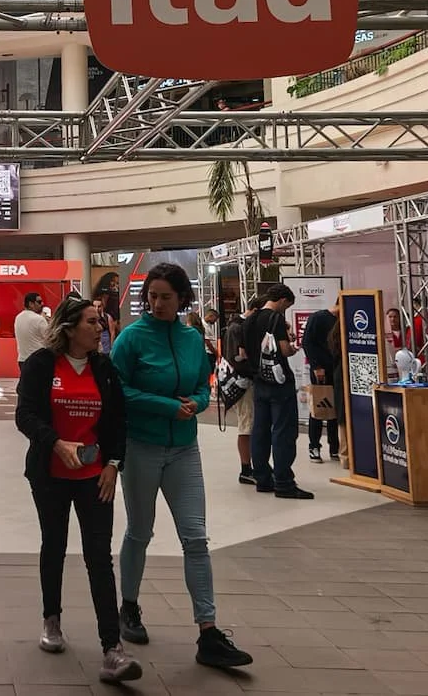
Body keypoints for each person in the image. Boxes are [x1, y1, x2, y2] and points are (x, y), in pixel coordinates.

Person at [110, 263, 252, 670]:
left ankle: (208, 631)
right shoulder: (132, 340)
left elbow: (202, 384)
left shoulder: (192, 339)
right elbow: (118, 389)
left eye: (165, 297)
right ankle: (129, 606)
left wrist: (198, 404)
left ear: (181, 299)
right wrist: (167, 407)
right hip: (141, 446)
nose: (156, 303)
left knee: (196, 537)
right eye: (151, 296)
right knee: (140, 530)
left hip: (184, 450)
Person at [15, 294, 141, 685]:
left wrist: (113, 465)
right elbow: (25, 415)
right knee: (53, 544)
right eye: (91, 322)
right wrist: (55, 442)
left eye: (100, 322)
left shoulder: (103, 368)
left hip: (95, 478)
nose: (99, 329)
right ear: (70, 328)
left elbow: (118, 421)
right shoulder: (41, 365)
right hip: (49, 475)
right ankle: (51, 619)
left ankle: (112, 649)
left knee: (98, 556)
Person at [241, 283, 313, 500]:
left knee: (260, 431)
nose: (285, 310)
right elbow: (283, 350)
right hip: (279, 382)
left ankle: (263, 478)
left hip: (258, 381)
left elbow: (243, 352)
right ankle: (284, 482)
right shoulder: (276, 319)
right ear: (282, 300)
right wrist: (292, 348)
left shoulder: (250, 318)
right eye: (287, 305)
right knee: (283, 431)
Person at [224, 296, 265, 485]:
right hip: (243, 384)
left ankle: (253, 467)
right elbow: (236, 359)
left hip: (249, 382)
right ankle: (246, 468)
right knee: (247, 426)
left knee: (251, 425)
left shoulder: (242, 327)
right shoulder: (236, 328)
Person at [300, 307, 340, 464]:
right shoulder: (318, 317)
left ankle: (334, 446)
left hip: (337, 369)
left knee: (335, 409)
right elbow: (307, 342)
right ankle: (314, 446)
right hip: (321, 371)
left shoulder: (342, 320)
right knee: (319, 407)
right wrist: (316, 366)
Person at [14, 292, 47, 367]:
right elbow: (49, 338)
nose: (42, 304)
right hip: (38, 360)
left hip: (22, 360)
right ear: (31, 304)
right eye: (39, 302)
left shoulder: (18, 317)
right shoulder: (39, 319)